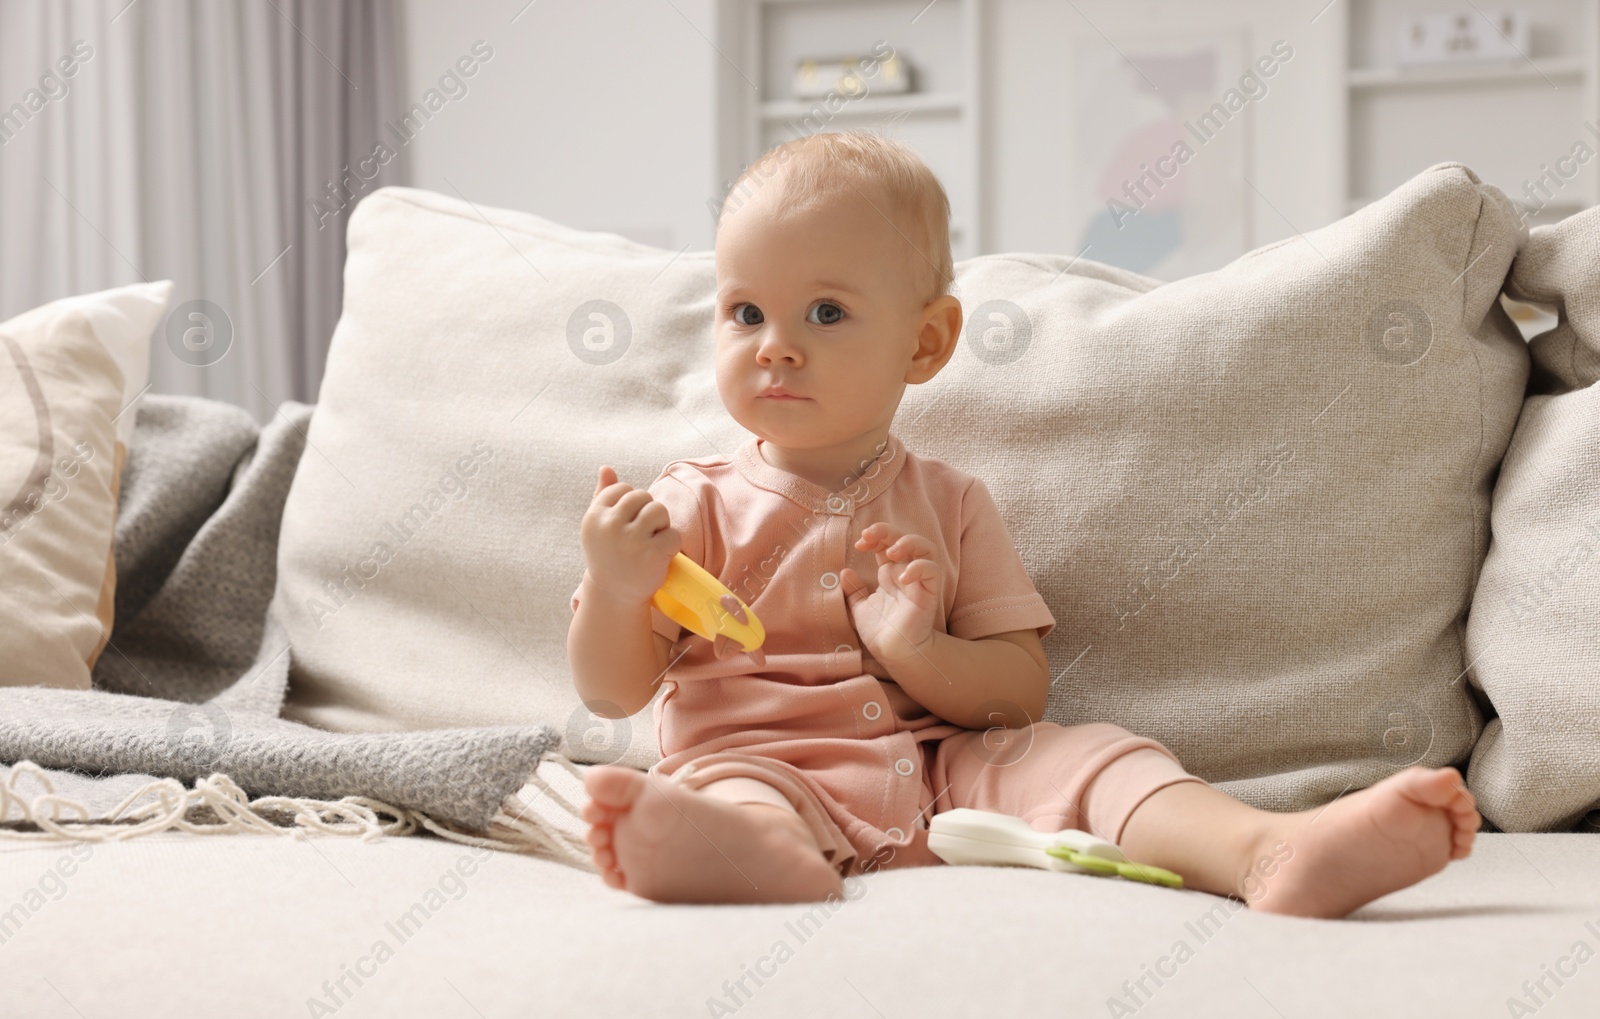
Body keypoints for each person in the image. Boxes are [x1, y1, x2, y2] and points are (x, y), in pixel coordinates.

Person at [568, 130, 1479, 917]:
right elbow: (613, 694)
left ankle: (1264, 852)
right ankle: (755, 859)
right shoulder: (681, 511)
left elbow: (1017, 696)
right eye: (745, 312)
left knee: (1090, 754)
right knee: (734, 796)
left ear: (925, 343)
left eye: (826, 311)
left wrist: (919, 646)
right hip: (760, 766)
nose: (775, 344)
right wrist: (617, 586)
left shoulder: (953, 501)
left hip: (947, 770)